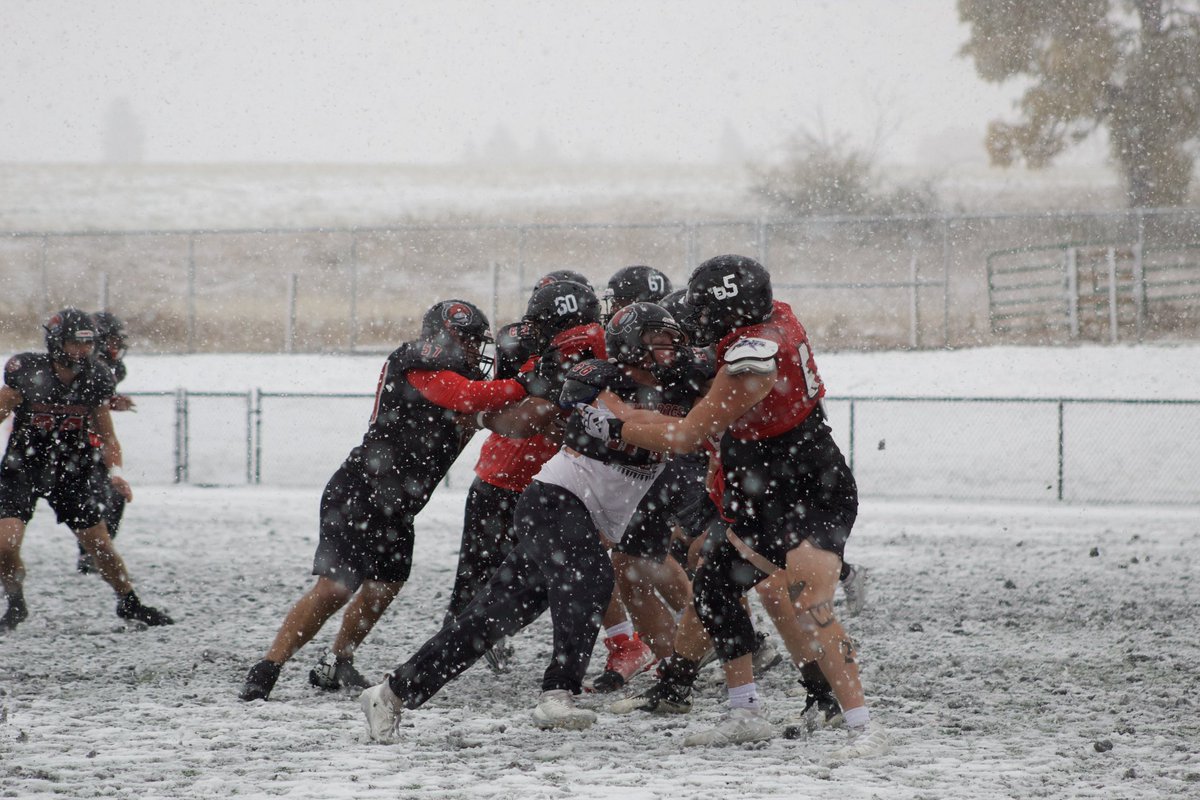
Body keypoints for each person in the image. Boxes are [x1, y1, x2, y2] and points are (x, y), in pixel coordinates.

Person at [574, 255, 887, 757]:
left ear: (730, 311)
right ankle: (745, 713)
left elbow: (688, 433)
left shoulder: (752, 360)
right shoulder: (774, 315)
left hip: (807, 489)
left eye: (704, 311)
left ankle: (862, 727)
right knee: (716, 585)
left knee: (810, 604)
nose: (697, 322)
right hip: (761, 488)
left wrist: (613, 425)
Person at [358, 302, 705, 741]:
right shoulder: (598, 379)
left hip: (593, 518)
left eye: (673, 340)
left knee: (488, 619)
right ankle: (558, 691)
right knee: (592, 579)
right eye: (658, 339)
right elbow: (634, 423)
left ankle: (392, 692)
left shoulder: (684, 385)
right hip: (554, 500)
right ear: (630, 345)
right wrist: (672, 428)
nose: (670, 348)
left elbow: (696, 419)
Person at [239, 299, 536, 701]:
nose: (473, 350)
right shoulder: (418, 361)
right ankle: (267, 667)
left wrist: (540, 384)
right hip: (360, 491)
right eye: (467, 340)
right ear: (444, 336)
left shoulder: (461, 382)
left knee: (384, 586)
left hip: (399, 506)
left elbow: (503, 419)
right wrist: (524, 384)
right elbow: (466, 396)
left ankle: (337, 661)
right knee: (335, 588)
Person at [442, 278, 605, 673]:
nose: (534, 330)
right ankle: (462, 642)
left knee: (522, 577)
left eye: (542, 321)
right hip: (532, 478)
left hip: (529, 477)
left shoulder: (565, 358)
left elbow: (528, 418)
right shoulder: (580, 353)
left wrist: (481, 417)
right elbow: (526, 409)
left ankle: (468, 639)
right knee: (511, 577)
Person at [1, 309, 173, 632]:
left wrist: (115, 473)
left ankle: (128, 600)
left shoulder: (95, 377)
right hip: (22, 468)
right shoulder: (27, 371)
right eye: (74, 343)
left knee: (100, 546)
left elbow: (108, 437)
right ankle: (16, 601)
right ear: (56, 343)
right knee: (5, 546)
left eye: (87, 344)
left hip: (71, 471)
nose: (82, 351)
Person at [75, 311, 135, 574]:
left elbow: (93, 400)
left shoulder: (111, 369)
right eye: (112, 340)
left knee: (113, 494)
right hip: (59, 440)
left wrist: (110, 402)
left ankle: (94, 552)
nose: (116, 346)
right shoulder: (72, 365)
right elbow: (71, 399)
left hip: (91, 441)